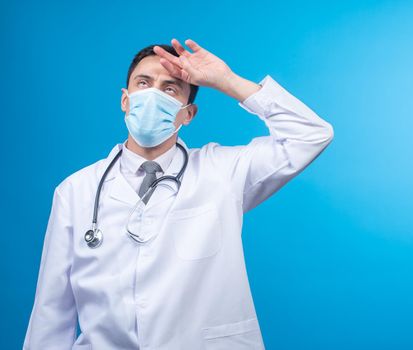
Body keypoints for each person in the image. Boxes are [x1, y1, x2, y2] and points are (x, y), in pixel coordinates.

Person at [23, 38, 334, 349]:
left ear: (188, 114)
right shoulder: (75, 190)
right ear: (125, 100)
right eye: (143, 83)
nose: (153, 95)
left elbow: (310, 135)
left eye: (170, 89)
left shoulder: (224, 171)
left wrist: (228, 81)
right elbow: (52, 310)